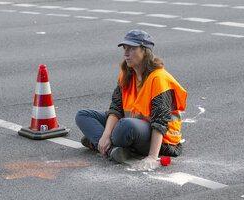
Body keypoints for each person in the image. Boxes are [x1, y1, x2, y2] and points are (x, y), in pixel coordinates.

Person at [75, 30, 187, 170]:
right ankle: (111, 149)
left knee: (125, 126)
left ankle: (97, 142)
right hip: (130, 128)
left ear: (145, 51)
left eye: (132, 49)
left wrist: (152, 157)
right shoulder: (126, 74)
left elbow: (160, 121)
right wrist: (105, 135)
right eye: (125, 48)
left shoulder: (159, 78)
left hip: (161, 140)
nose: (126, 54)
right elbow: (116, 108)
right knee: (83, 115)